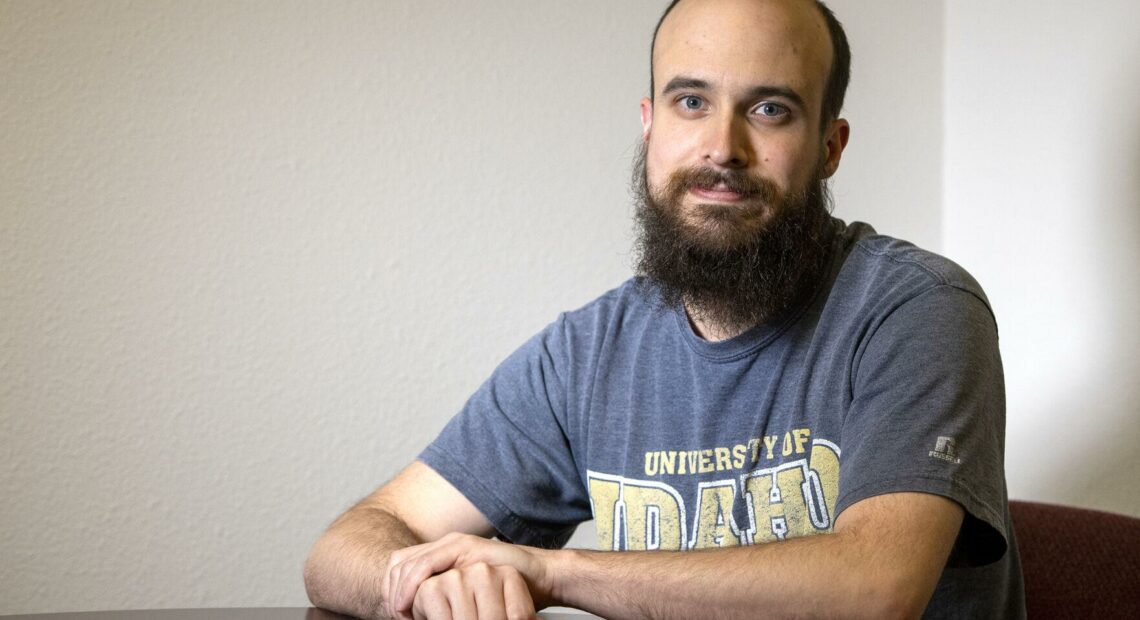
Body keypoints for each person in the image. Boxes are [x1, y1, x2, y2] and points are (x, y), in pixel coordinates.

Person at [304, 0, 1026, 618]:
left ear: (830, 146)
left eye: (770, 110)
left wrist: (551, 572)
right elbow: (351, 545)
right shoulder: (588, 354)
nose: (722, 147)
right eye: (691, 102)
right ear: (650, 124)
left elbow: (878, 586)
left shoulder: (916, 311)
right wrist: (420, 583)